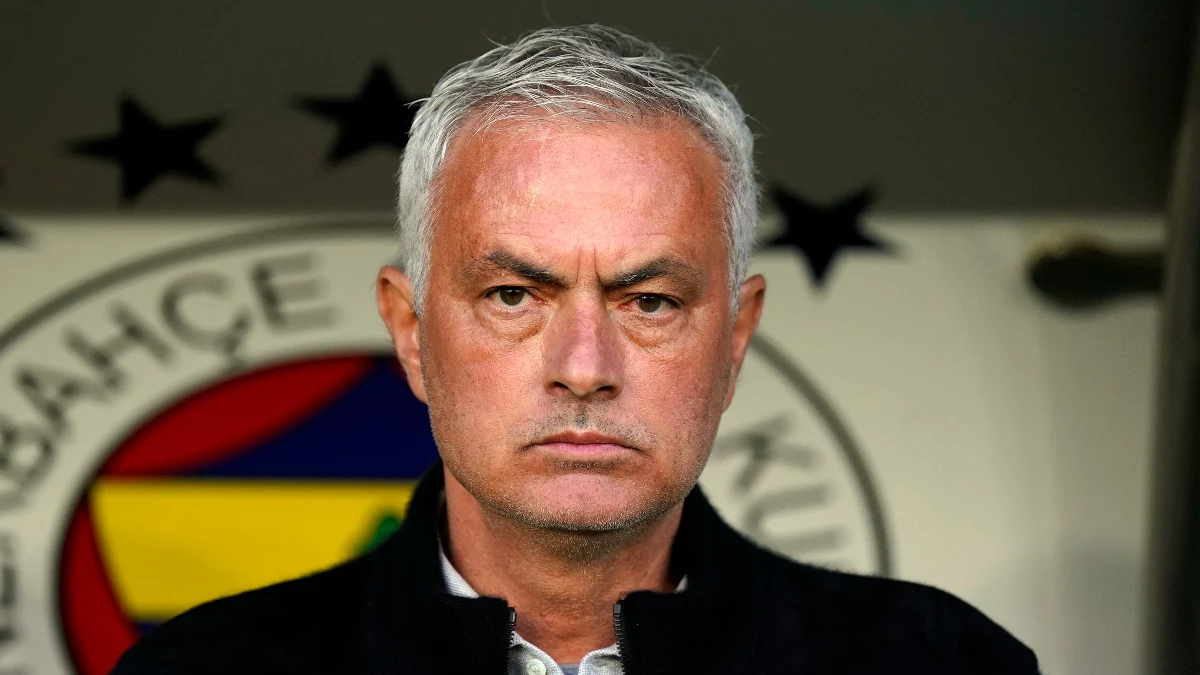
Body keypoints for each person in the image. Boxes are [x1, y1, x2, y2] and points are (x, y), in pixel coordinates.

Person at [113, 24, 1039, 675]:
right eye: (514, 295)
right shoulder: (202, 668)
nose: (586, 366)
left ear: (735, 338)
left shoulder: (942, 662)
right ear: (412, 333)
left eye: (650, 300)